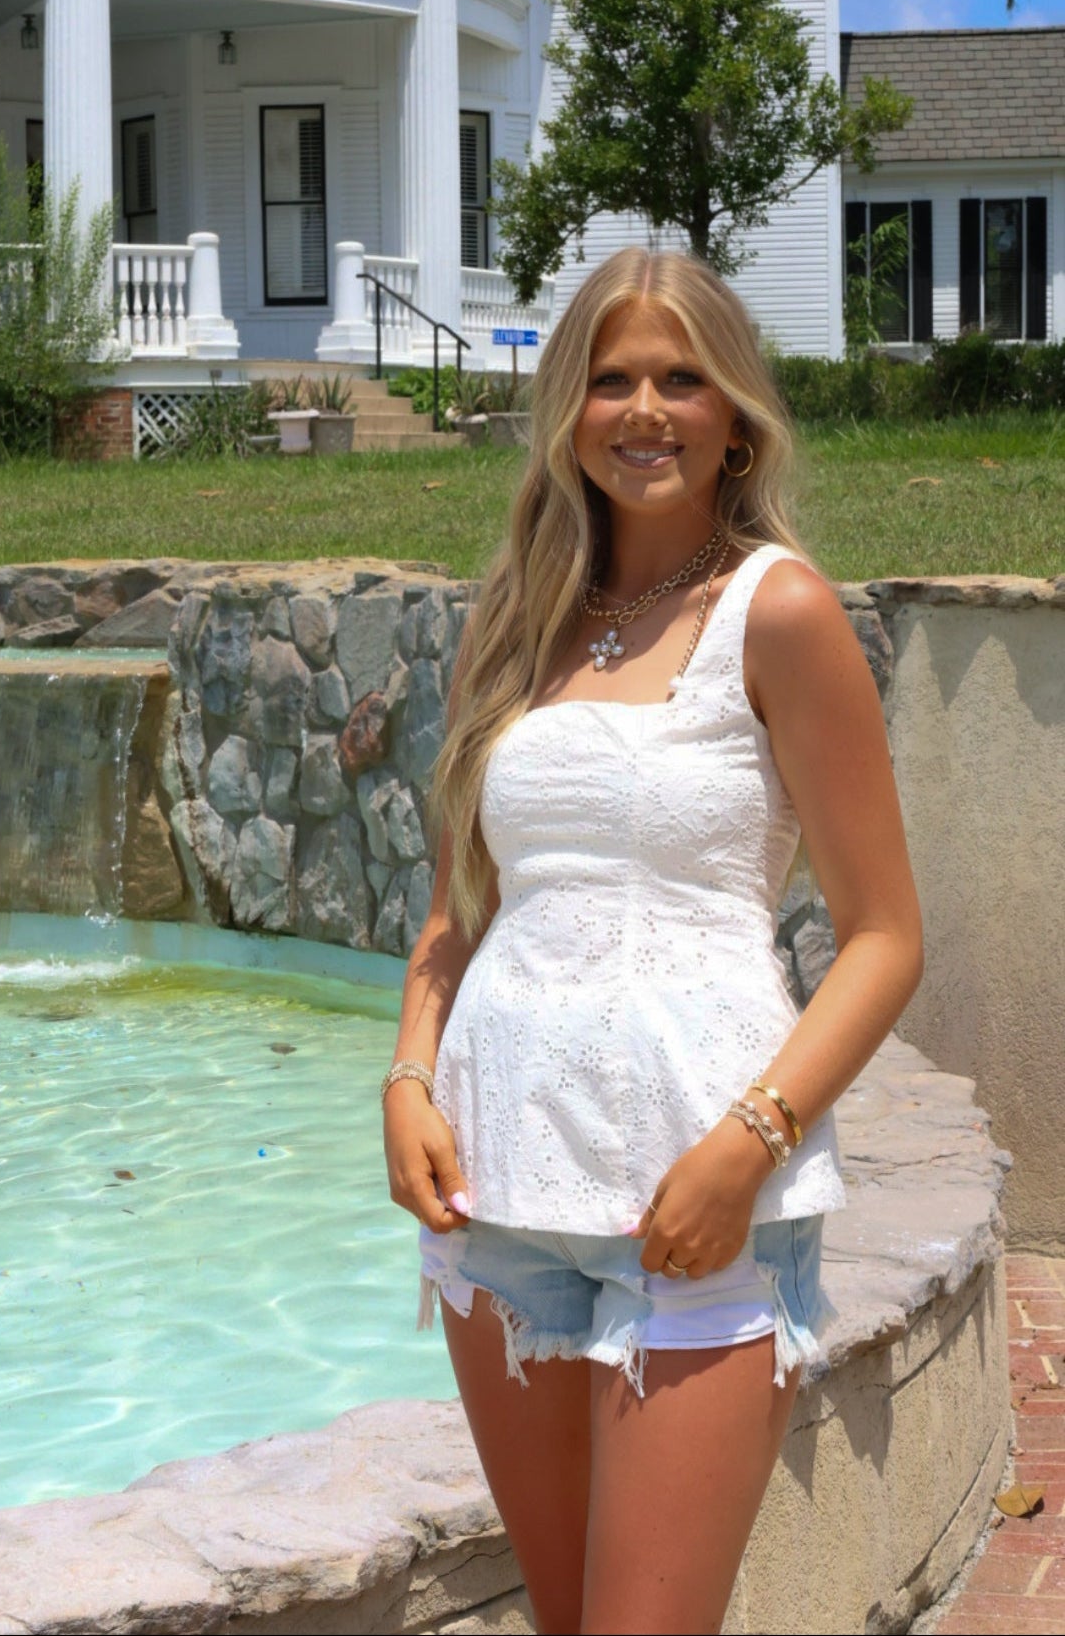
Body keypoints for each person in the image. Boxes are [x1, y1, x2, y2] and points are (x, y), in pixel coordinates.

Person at [381, 248, 923, 1636]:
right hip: (500, 1195)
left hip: (702, 1206)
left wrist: (749, 1146)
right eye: (611, 379)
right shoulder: (514, 622)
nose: (644, 410)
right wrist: (407, 1081)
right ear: (568, 411)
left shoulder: (779, 610)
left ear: (735, 415)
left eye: (682, 379)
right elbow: (457, 912)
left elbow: (884, 938)